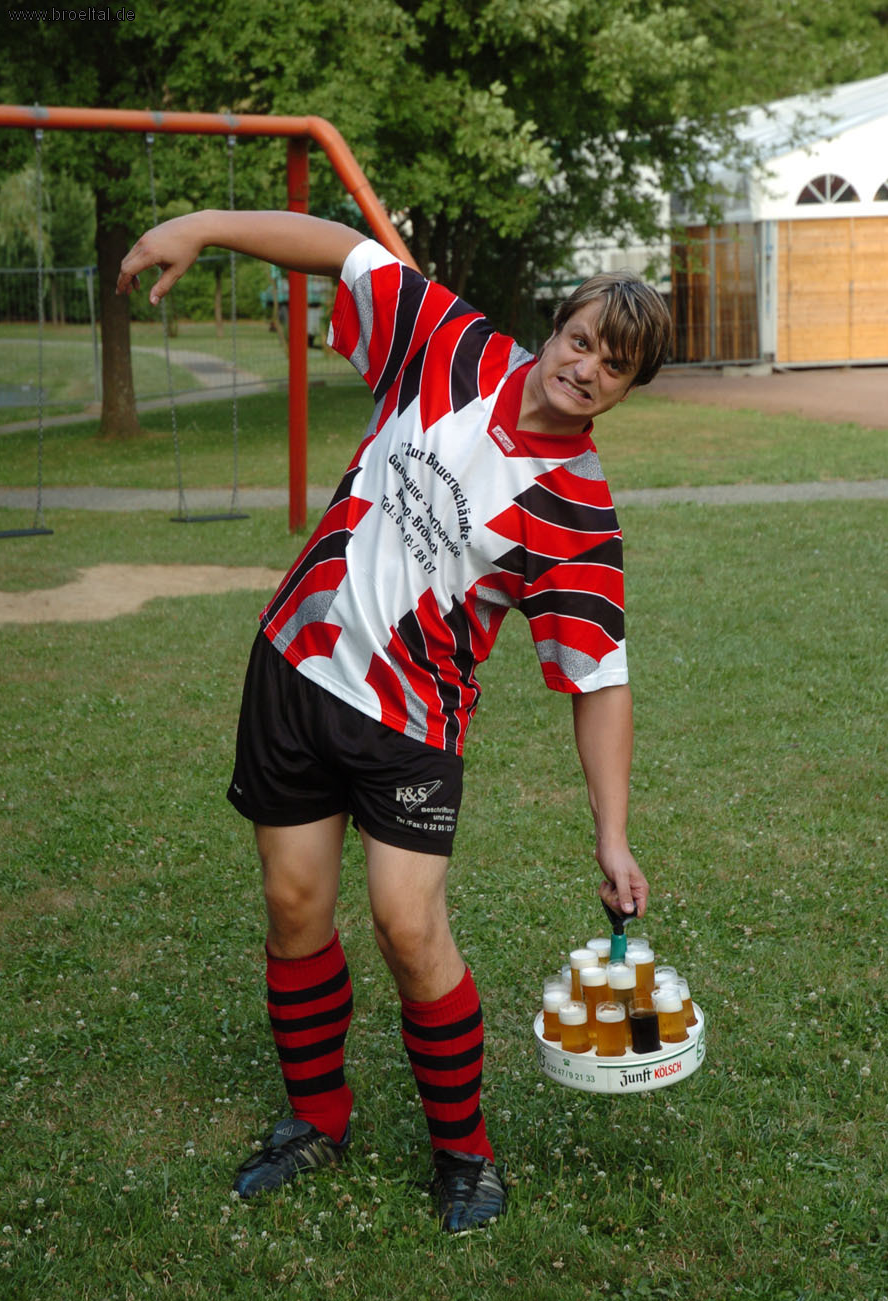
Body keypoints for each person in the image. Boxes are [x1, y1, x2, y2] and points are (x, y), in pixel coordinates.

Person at [117, 210, 671, 1233]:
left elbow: (599, 679)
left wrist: (613, 833)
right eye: (582, 340)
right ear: (554, 330)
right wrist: (202, 226)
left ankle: (465, 1154)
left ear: (630, 389)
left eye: (616, 366)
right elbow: (345, 249)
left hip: (412, 724)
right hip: (295, 667)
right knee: (294, 905)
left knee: (408, 926)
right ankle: (316, 1119)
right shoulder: (450, 345)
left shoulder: (577, 514)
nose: (587, 369)